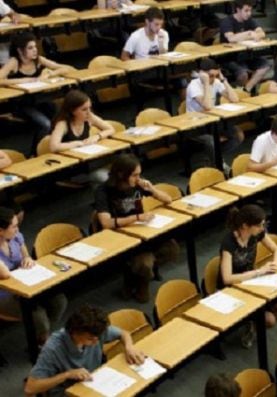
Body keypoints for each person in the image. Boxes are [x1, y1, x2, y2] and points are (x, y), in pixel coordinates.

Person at [94, 154, 179, 303]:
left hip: (140, 231)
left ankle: (137, 274)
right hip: (120, 236)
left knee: (172, 249)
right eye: (135, 175)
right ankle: (142, 276)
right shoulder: (103, 191)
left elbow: (168, 199)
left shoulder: (137, 185)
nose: (138, 178)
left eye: (139, 174)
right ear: (121, 174)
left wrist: (152, 189)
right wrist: (137, 218)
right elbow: (106, 223)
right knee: (144, 265)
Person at [24, 304, 145, 397]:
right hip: (68, 392)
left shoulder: (96, 331)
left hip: (94, 381)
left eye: (98, 337)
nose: (96, 342)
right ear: (75, 333)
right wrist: (67, 375)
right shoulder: (53, 348)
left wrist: (129, 347)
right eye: (91, 339)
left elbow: (123, 333)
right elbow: (30, 388)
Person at [219, 205, 277, 347]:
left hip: (254, 280)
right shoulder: (228, 243)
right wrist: (259, 272)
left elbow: (276, 249)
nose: (262, 228)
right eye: (259, 225)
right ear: (245, 226)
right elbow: (227, 278)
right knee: (270, 320)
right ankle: (254, 323)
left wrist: (275, 264)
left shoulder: (257, 234)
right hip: (234, 288)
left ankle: (255, 322)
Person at [0, 207, 67, 345]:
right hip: (5, 294)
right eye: (13, 226)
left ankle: (44, 336)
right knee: (38, 317)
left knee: (59, 301)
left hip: (26, 282)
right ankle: (42, 342)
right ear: (0, 230)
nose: (17, 229)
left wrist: (28, 260)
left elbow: (27, 256)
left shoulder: (15, 237)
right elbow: (5, 274)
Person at [0, 32, 73, 153]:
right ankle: (35, 152)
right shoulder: (14, 62)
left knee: (60, 116)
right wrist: (26, 79)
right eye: (30, 48)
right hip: (21, 105)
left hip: (39, 101)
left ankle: (54, 146)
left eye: (35, 47)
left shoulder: (38, 60)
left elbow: (64, 67)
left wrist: (49, 73)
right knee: (45, 124)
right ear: (20, 50)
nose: (35, 50)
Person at [186, 58, 243, 169]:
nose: (213, 79)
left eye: (215, 75)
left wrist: (223, 80)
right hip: (195, 125)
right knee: (211, 141)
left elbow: (235, 99)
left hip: (212, 122)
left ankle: (213, 158)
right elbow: (207, 106)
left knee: (238, 135)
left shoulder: (216, 82)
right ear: (202, 73)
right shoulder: (193, 86)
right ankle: (218, 163)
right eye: (210, 76)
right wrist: (206, 83)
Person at [48, 90, 114, 184]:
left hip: (86, 163)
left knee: (120, 164)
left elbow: (110, 129)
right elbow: (53, 147)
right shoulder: (63, 124)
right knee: (106, 177)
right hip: (71, 169)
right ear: (72, 110)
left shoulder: (89, 117)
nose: (88, 112)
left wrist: (97, 136)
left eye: (89, 108)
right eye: (84, 109)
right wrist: (76, 143)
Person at [219, 0, 270, 93]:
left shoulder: (249, 20)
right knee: (243, 73)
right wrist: (249, 33)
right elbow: (231, 38)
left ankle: (246, 90)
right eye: (246, 11)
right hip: (230, 58)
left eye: (250, 10)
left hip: (246, 56)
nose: (249, 13)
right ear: (238, 10)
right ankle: (237, 92)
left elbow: (262, 33)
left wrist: (255, 35)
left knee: (265, 65)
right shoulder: (227, 21)